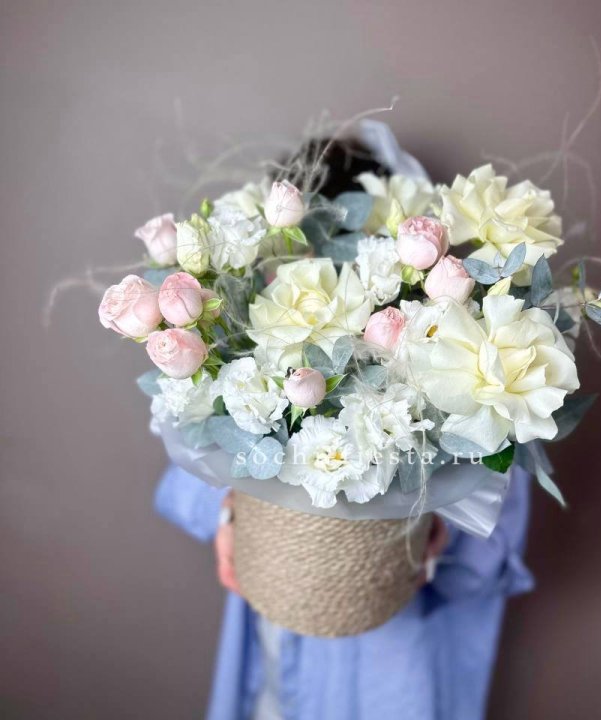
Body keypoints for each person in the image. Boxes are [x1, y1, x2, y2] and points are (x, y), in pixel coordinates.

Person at [155, 122, 534, 720]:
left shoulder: (466, 392)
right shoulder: (255, 360)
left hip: (395, 681)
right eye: (299, 259)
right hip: (275, 657)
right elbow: (186, 478)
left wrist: (436, 534)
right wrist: (230, 515)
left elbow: (486, 567)